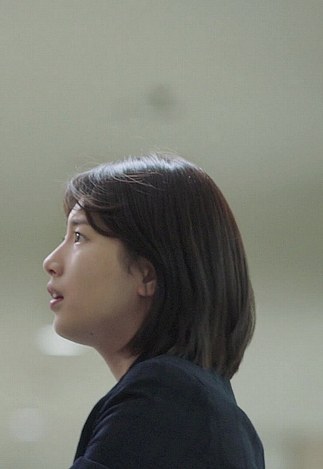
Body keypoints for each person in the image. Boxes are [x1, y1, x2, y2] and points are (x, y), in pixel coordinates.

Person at [42, 153, 264, 468]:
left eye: (79, 237)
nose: (50, 262)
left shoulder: (165, 398)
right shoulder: (206, 407)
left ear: (147, 275)